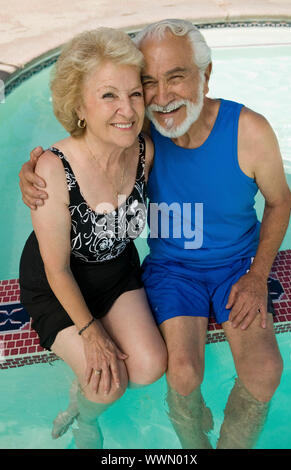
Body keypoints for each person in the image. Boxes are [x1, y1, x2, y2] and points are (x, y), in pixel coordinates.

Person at [19, 19, 291, 449]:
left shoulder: (205, 136)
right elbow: (81, 153)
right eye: (149, 83)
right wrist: (32, 170)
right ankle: (144, 432)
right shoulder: (118, 144)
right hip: (125, 277)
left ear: (205, 74)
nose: (157, 99)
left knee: (234, 370)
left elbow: (279, 200)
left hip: (182, 270)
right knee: (155, 377)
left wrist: (258, 276)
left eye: (175, 78)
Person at [18, 27, 167, 450]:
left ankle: (83, 393)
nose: (127, 109)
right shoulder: (53, 171)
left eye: (134, 94)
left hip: (116, 274)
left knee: (150, 366)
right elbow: (56, 267)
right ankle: (85, 418)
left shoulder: (144, 152)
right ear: (79, 107)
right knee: (107, 386)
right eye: (108, 96)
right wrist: (92, 333)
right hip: (57, 285)